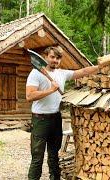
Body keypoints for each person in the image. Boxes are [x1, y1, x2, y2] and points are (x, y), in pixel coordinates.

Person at [26, 46, 99, 180]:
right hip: (40, 120)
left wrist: (100, 67)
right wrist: (51, 90)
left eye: (58, 58)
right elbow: (29, 96)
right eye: (52, 57)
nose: (55, 60)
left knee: (54, 155)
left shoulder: (62, 73)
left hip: (56, 118)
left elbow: (82, 71)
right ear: (46, 56)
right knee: (37, 157)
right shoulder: (36, 73)